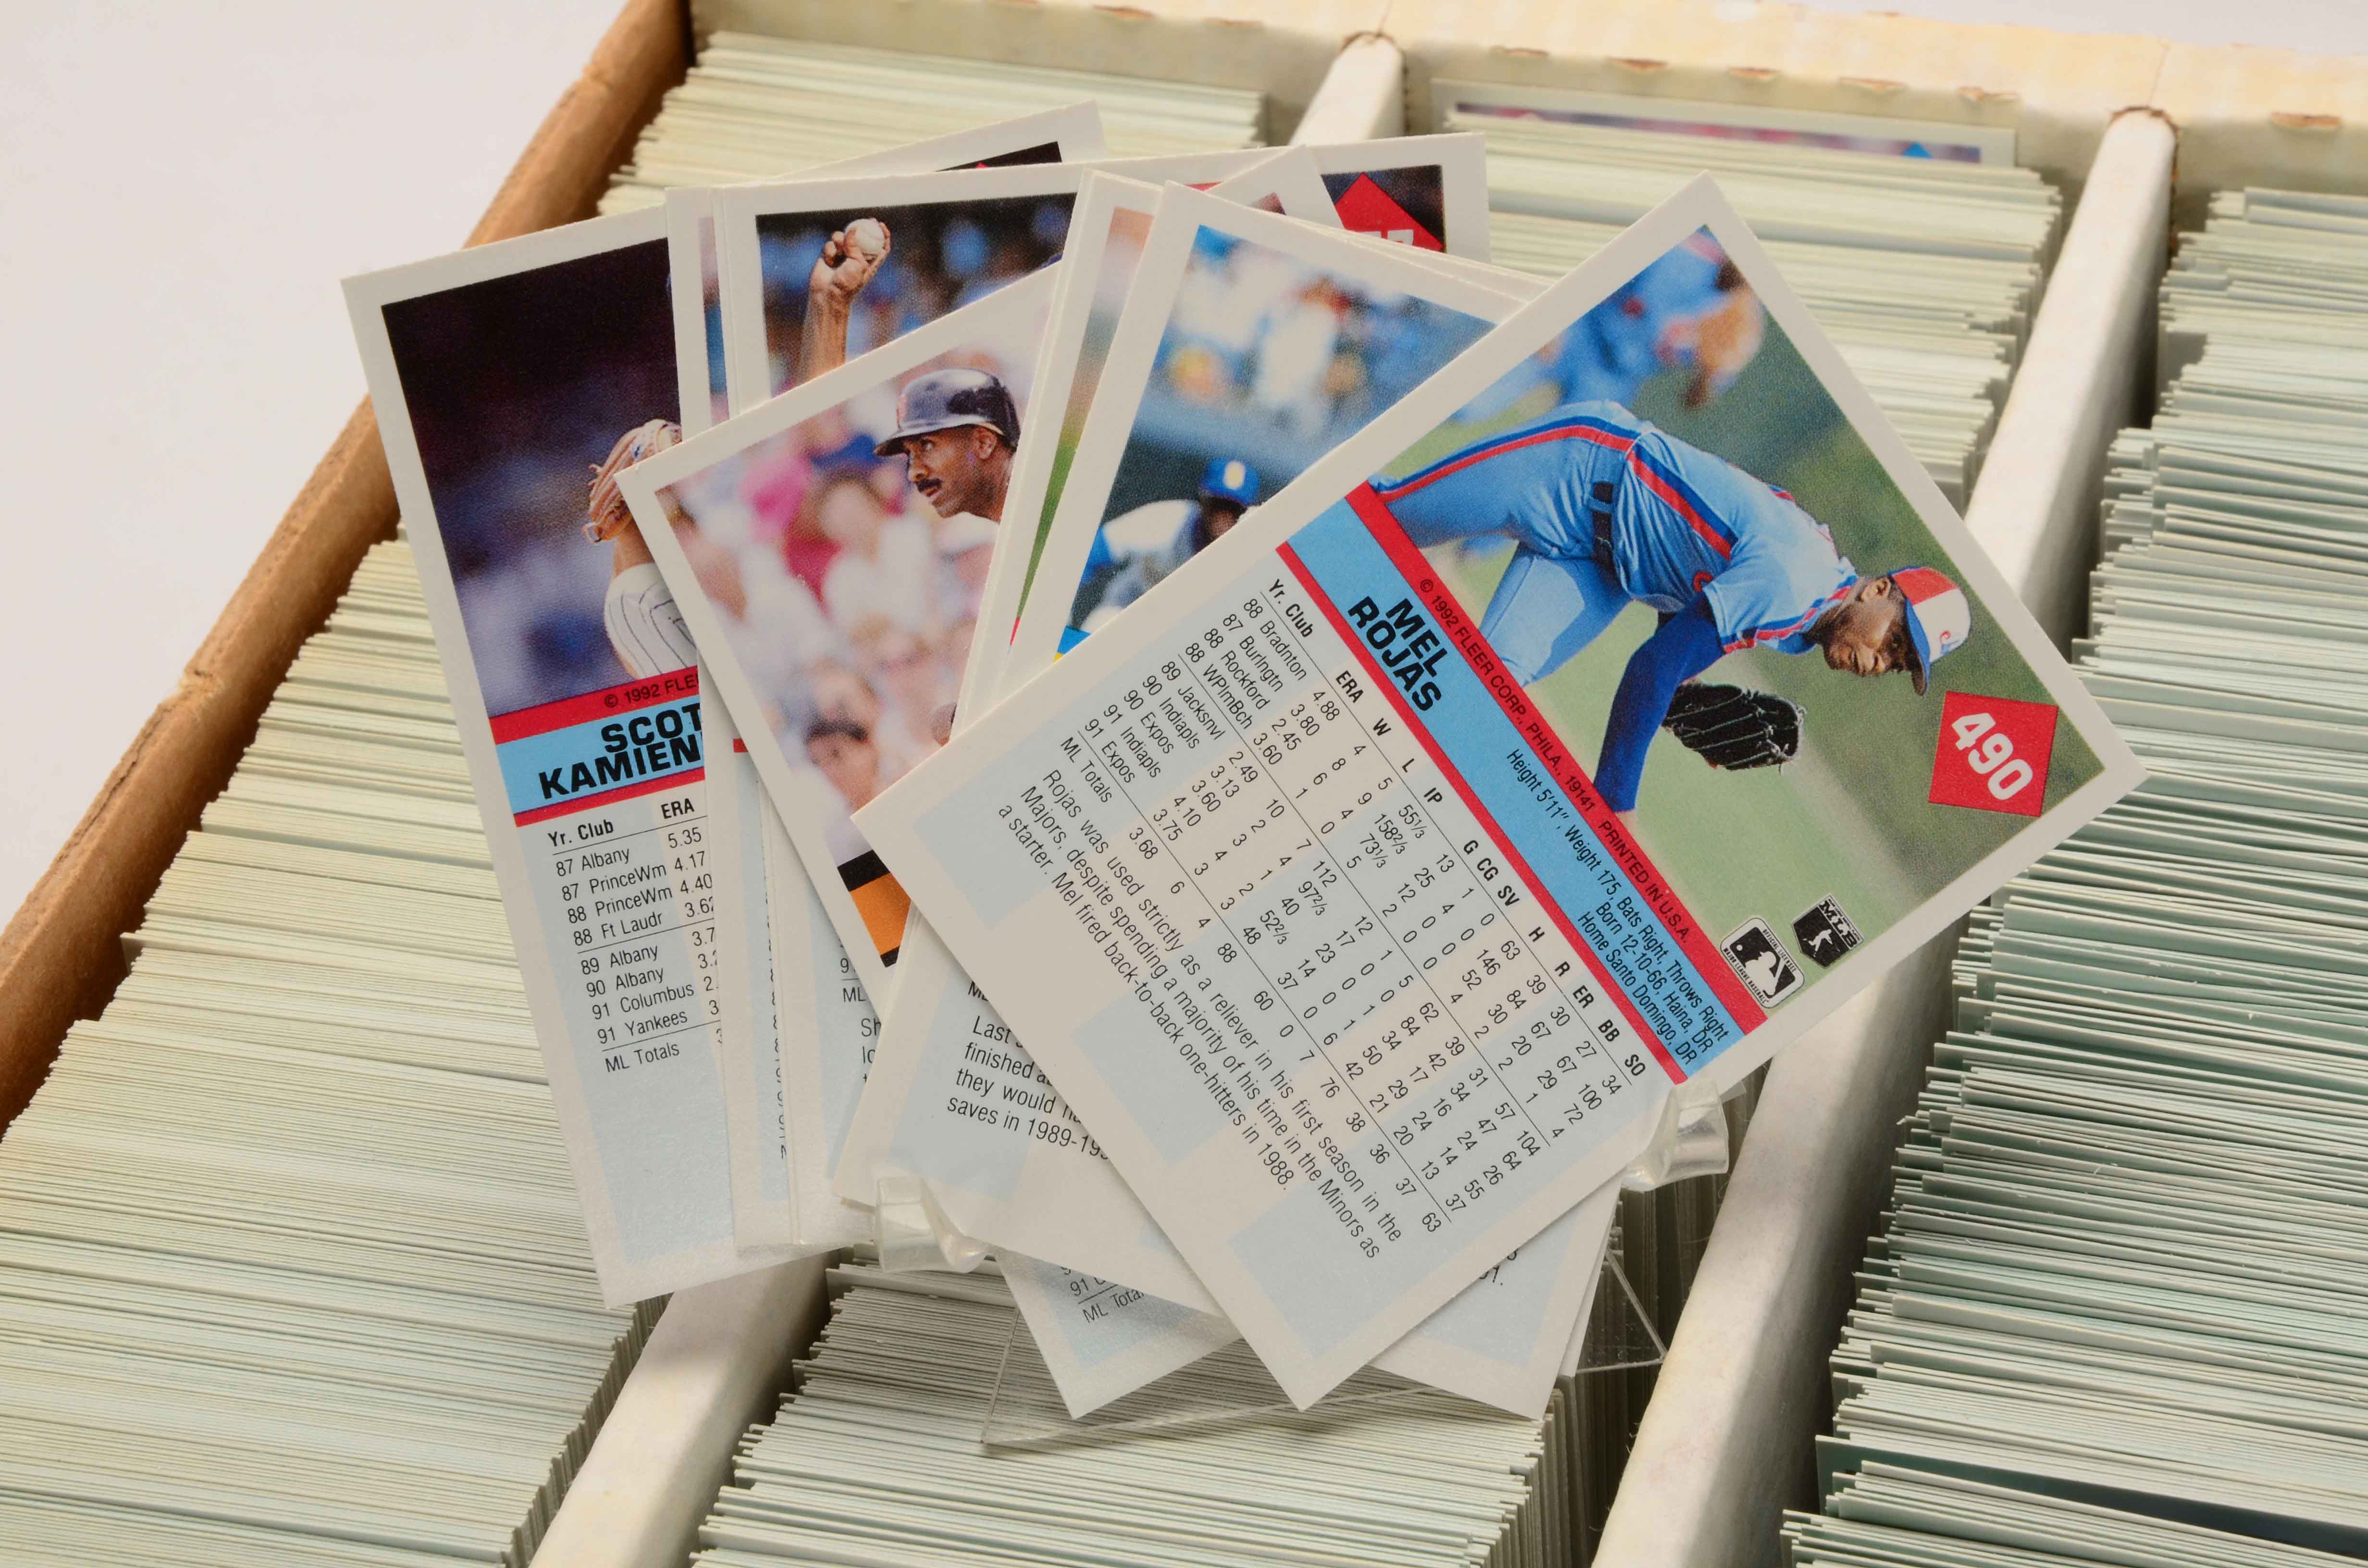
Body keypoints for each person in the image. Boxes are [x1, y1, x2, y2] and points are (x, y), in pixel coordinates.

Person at [1365, 398, 1972, 822]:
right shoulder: (1795, 582)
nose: (1882, 661)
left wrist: (1680, 700)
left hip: (1601, 568)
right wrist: (1614, 805)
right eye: (1895, 640)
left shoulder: (1808, 612)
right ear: (1876, 592)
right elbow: (1651, 667)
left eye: (1898, 663)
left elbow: (1685, 585)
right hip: (1574, 466)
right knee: (1380, 524)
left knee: (1489, 682)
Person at [1074, 456, 1261, 635]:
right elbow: (1096, 550)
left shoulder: (1247, 554)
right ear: (1202, 498)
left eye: (1233, 508)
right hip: (1127, 605)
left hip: (1180, 631)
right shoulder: (1169, 520)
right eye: (1217, 503)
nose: (1223, 515)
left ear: (1246, 511)